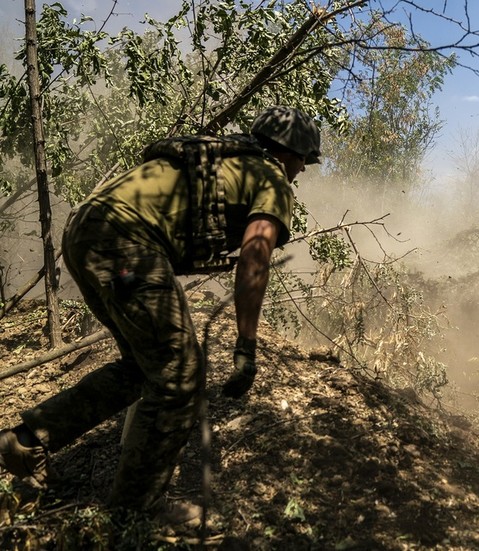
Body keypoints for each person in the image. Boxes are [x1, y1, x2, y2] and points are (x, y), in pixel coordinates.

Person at [0, 106, 321, 525]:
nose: (300, 172)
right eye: (303, 162)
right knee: (180, 374)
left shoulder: (226, 159)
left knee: (143, 367)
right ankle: (136, 509)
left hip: (84, 231)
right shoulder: (271, 177)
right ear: (289, 155)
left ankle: (26, 441)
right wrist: (246, 344)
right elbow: (255, 256)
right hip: (125, 246)